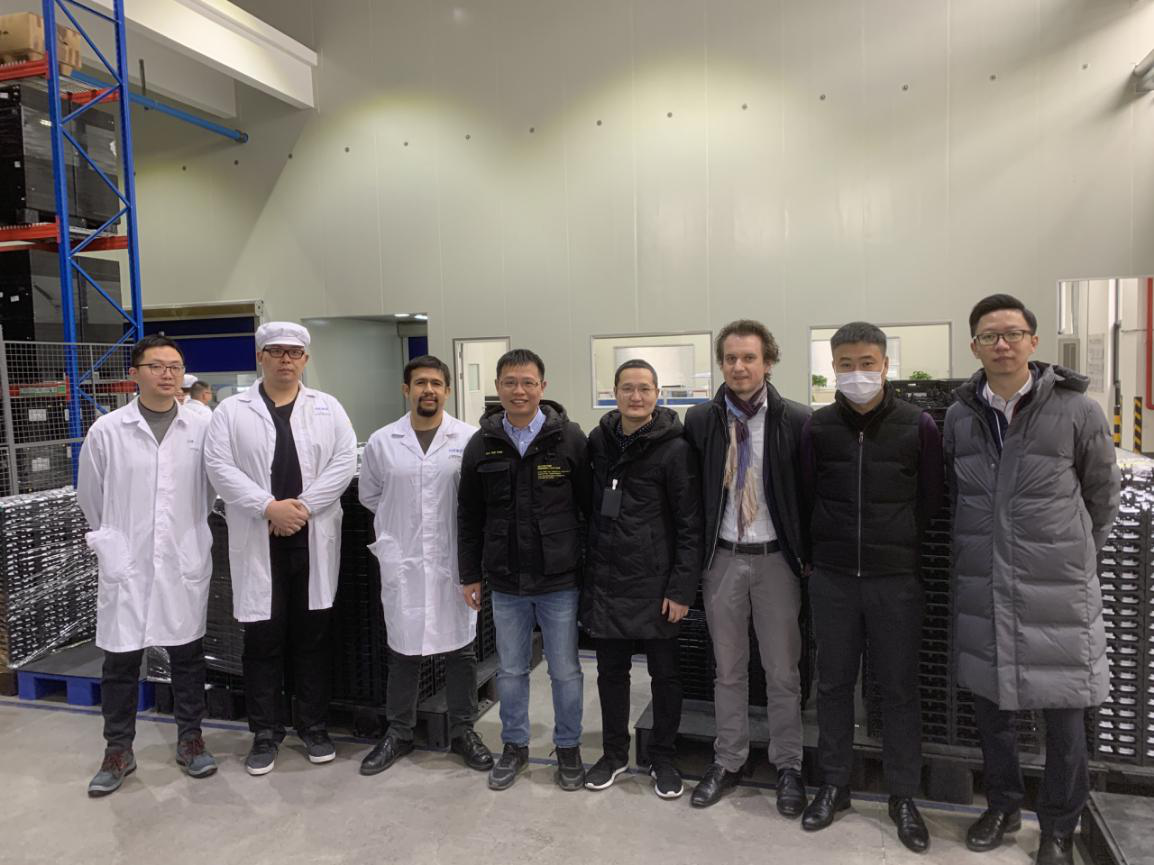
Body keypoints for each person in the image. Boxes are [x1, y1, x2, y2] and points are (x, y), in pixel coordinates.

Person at [947, 294, 1120, 865]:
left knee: (1065, 720)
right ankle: (1001, 806)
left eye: (1012, 334)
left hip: (1057, 594)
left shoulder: (1077, 410)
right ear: (974, 346)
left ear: (1033, 342)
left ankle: (1058, 829)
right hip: (984, 586)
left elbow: (1102, 498)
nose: (1002, 344)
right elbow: (956, 495)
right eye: (989, 336)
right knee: (992, 712)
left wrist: (1070, 559)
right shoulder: (960, 416)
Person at [799, 322, 943, 853]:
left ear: (885, 365)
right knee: (833, 685)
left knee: (899, 689)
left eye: (867, 363)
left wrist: (898, 547)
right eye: (846, 364)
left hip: (894, 580)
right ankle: (834, 784)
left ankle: (902, 795)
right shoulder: (816, 428)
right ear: (833, 367)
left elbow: (931, 499)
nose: (857, 373)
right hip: (834, 578)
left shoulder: (918, 425)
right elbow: (806, 494)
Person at [204, 321, 357, 776]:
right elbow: (219, 467)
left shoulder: (328, 407)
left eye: (294, 353)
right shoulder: (231, 412)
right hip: (260, 539)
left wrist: (302, 508)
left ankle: (313, 726)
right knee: (263, 641)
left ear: (305, 359)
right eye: (276, 352)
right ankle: (265, 733)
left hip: (312, 539)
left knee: (312, 639)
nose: (286, 360)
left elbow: (344, 462)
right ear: (261, 357)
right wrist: (268, 507)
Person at [76, 335, 216, 796]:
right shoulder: (108, 430)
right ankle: (118, 750)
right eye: (156, 366)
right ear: (135, 373)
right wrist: (115, 542)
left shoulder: (201, 425)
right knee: (120, 660)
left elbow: (213, 488)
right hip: (128, 561)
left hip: (182, 556)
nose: (167, 374)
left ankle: (191, 740)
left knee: (187, 656)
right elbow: (91, 496)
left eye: (175, 366)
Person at [683, 319, 810, 817]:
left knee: (782, 671)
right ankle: (728, 759)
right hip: (723, 560)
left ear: (768, 362)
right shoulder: (701, 421)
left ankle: (789, 764)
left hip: (777, 560)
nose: (739, 366)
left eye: (749, 358)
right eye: (731, 358)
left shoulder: (796, 420)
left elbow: (807, 494)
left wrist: (805, 556)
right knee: (728, 670)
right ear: (721, 364)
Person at [457, 348, 592, 792]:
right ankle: (514, 746)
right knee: (511, 671)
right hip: (506, 580)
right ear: (498, 388)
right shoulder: (481, 444)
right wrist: (469, 574)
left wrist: (586, 569)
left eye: (528, 382)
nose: (520, 391)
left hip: (559, 579)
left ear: (542, 387)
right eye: (510, 382)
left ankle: (568, 747)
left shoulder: (569, 438)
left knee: (565, 670)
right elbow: (469, 514)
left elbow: (589, 509)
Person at [358, 355, 494, 776]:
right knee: (403, 649)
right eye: (420, 383)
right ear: (407, 390)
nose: (428, 390)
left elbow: (478, 501)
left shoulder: (468, 439)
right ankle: (398, 732)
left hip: (453, 561)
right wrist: (402, 533)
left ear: (447, 391)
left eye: (436, 383)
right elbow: (370, 495)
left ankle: (463, 731)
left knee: (461, 649)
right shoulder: (383, 441)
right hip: (404, 560)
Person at [581, 359, 702, 799]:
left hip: (657, 584)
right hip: (608, 579)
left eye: (644, 389)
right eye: (627, 388)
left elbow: (690, 524)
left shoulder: (676, 448)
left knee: (665, 676)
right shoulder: (598, 441)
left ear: (657, 394)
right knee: (610, 673)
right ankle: (614, 754)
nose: (636, 396)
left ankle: (662, 757)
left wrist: (681, 589)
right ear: (614, 393)